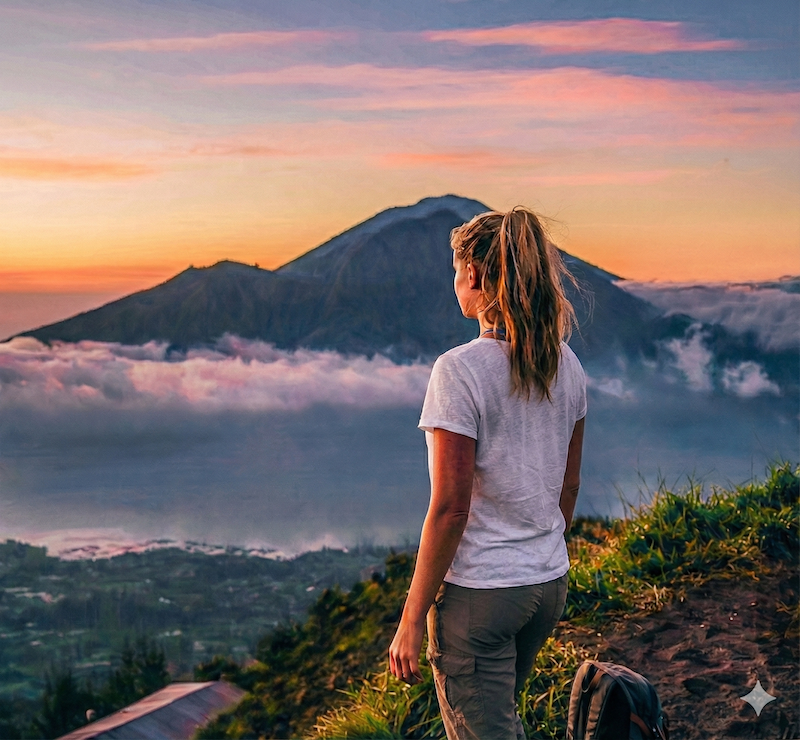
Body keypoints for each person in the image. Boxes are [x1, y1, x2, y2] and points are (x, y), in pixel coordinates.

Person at [388, 207, 586, 739]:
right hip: (546, 585)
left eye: (455, 271)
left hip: (481, 597)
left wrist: (411, 620)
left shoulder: (459, 370)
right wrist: (536, 547)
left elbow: (451, 508)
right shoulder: (566, 364)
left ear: (473, 273)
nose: (454, 284)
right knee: (500, 718)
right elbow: (568, 486)